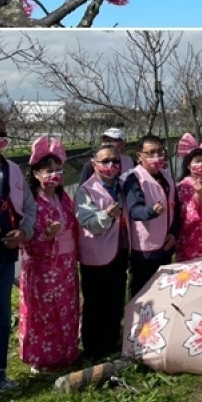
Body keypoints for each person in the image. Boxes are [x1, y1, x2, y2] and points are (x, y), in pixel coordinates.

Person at [19, 136, 80, 374]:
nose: (55, 175)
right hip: (42, 265)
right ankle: (42, 359)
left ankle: (66, 353)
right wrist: (46, 234)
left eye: (58, 170)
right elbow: (26, 239)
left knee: (67, 307)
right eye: (49, 171)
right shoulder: (31, 201)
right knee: (44, 311)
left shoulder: (63, 197)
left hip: (65, 262)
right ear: (36, 174)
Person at [0, 116, 35, 393]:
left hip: (6, 253)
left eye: (1, 133)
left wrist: (24, 233)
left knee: (0, 317)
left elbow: (29, 206)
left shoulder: (13, 169)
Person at [74, 144, 127, 362]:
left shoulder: (122, 185)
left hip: (119, 251)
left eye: (115, 161)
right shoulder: (86, 190)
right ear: (94, 165)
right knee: (95, 302)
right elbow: (87, 222)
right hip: (95, 255)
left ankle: (112, 341)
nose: (111, 165)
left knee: (115, 299)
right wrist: (106, 215)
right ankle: (93, 348)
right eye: (105, 161)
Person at [123, 134, 180, 297]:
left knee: (163, 292)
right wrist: (152, 211)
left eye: (160, 152)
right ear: (139, 156)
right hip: (145, 249)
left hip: (166, 245)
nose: (157, 157)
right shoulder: (134, 179)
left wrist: (174, 233)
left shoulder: (167, 175)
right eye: (151, 153)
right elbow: (135, 211)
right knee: (143, 294)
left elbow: (176, 206)